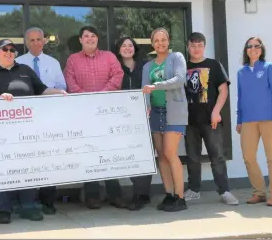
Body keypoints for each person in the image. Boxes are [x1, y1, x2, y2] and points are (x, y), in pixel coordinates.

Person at [0, 39, 67, 224]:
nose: (8, 52)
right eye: (4, 49)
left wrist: (58, 93)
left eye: (12, 50)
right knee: (3, 168)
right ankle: (4, 208)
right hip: (0, 133)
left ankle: (29, 206)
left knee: (27, 168)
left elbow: (41, 90)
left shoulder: (25, 70)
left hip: (27, 130)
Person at [64, 26, 126, 210]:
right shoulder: (72, 60)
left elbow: (118, 75)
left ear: (97, 39)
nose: (90, 39)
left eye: (93, 36)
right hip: (83, 114)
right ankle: (92, 195)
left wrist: (100, 95)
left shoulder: (109, 57)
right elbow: (70, 81)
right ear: (81, 40)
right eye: (86, 36)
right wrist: (86, 98)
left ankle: (115, 194)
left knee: (109, 154)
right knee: (88, 153)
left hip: (107, 113)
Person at [15, 27, 67, 215]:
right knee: (26, 158)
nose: (36, 43)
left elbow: (62, 86)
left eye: (39, 39)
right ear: (26, 42)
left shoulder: (53, 63)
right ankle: (27, 200)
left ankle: (47, 200)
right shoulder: (17, 62)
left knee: (48, 158)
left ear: (44, 41)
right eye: (32, 40)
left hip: (49, 116)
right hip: (25, 117)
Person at [183, 32, 239, 205]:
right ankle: (193, 190)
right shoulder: (182, 66)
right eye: (193, 45)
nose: (196, 49)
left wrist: (216, 111)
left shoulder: (214, 65)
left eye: (199, 45)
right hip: (189, 121)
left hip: (211, 120)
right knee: (192, 157)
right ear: (188, 47)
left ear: (204, 47)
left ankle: (225, 191)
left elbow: (223, 91)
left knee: (217, 157)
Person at [142, 27, 188, 212]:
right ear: (152, 43)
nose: (160, 43)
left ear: (168, 41)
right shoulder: (147, 66)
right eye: (156, 40)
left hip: (174, 111)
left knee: (170, 153)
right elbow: (144, 88)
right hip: (155, 113)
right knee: (161, 156)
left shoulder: (177, 58)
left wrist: (156, 86)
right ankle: (169, 194)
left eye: (163, 39)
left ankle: (180, 197)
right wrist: (146, 105)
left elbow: (179, 79)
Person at [236, 37, 272, 206]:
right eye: (249, 46)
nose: (253, 48)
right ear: (246, 50)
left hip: (270, 119)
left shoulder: (269, 68)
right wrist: (239, 119)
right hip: (248, 120)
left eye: (257, 46)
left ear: (262, 49)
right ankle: (259, 192)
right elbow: (240, 97)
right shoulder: (241, 73)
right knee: (248, 156)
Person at [113, 36, 151, 210]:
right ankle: (137, 192)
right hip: (120, 118)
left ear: (135, 48)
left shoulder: (145, 66)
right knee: (127, 155)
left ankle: (141, 195)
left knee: (142, 155)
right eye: (123, 45)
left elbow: (153, 86)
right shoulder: (114, 66)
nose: (127, 48)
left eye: (130, 45)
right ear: (119, 49)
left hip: (143, 116)